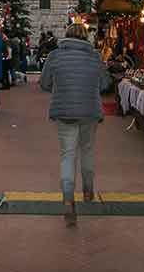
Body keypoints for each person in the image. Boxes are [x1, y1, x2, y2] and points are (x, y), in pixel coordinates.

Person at [39, 23, 111, 226]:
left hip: (64, 111)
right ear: (86, 37)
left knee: (67, 154)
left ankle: (68, 198)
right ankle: (88, 190)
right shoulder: (95, 56)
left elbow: (44, 83)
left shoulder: (55, 56)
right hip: (89, 111)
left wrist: (60, 88)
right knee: (87, 150)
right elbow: (105, 84)